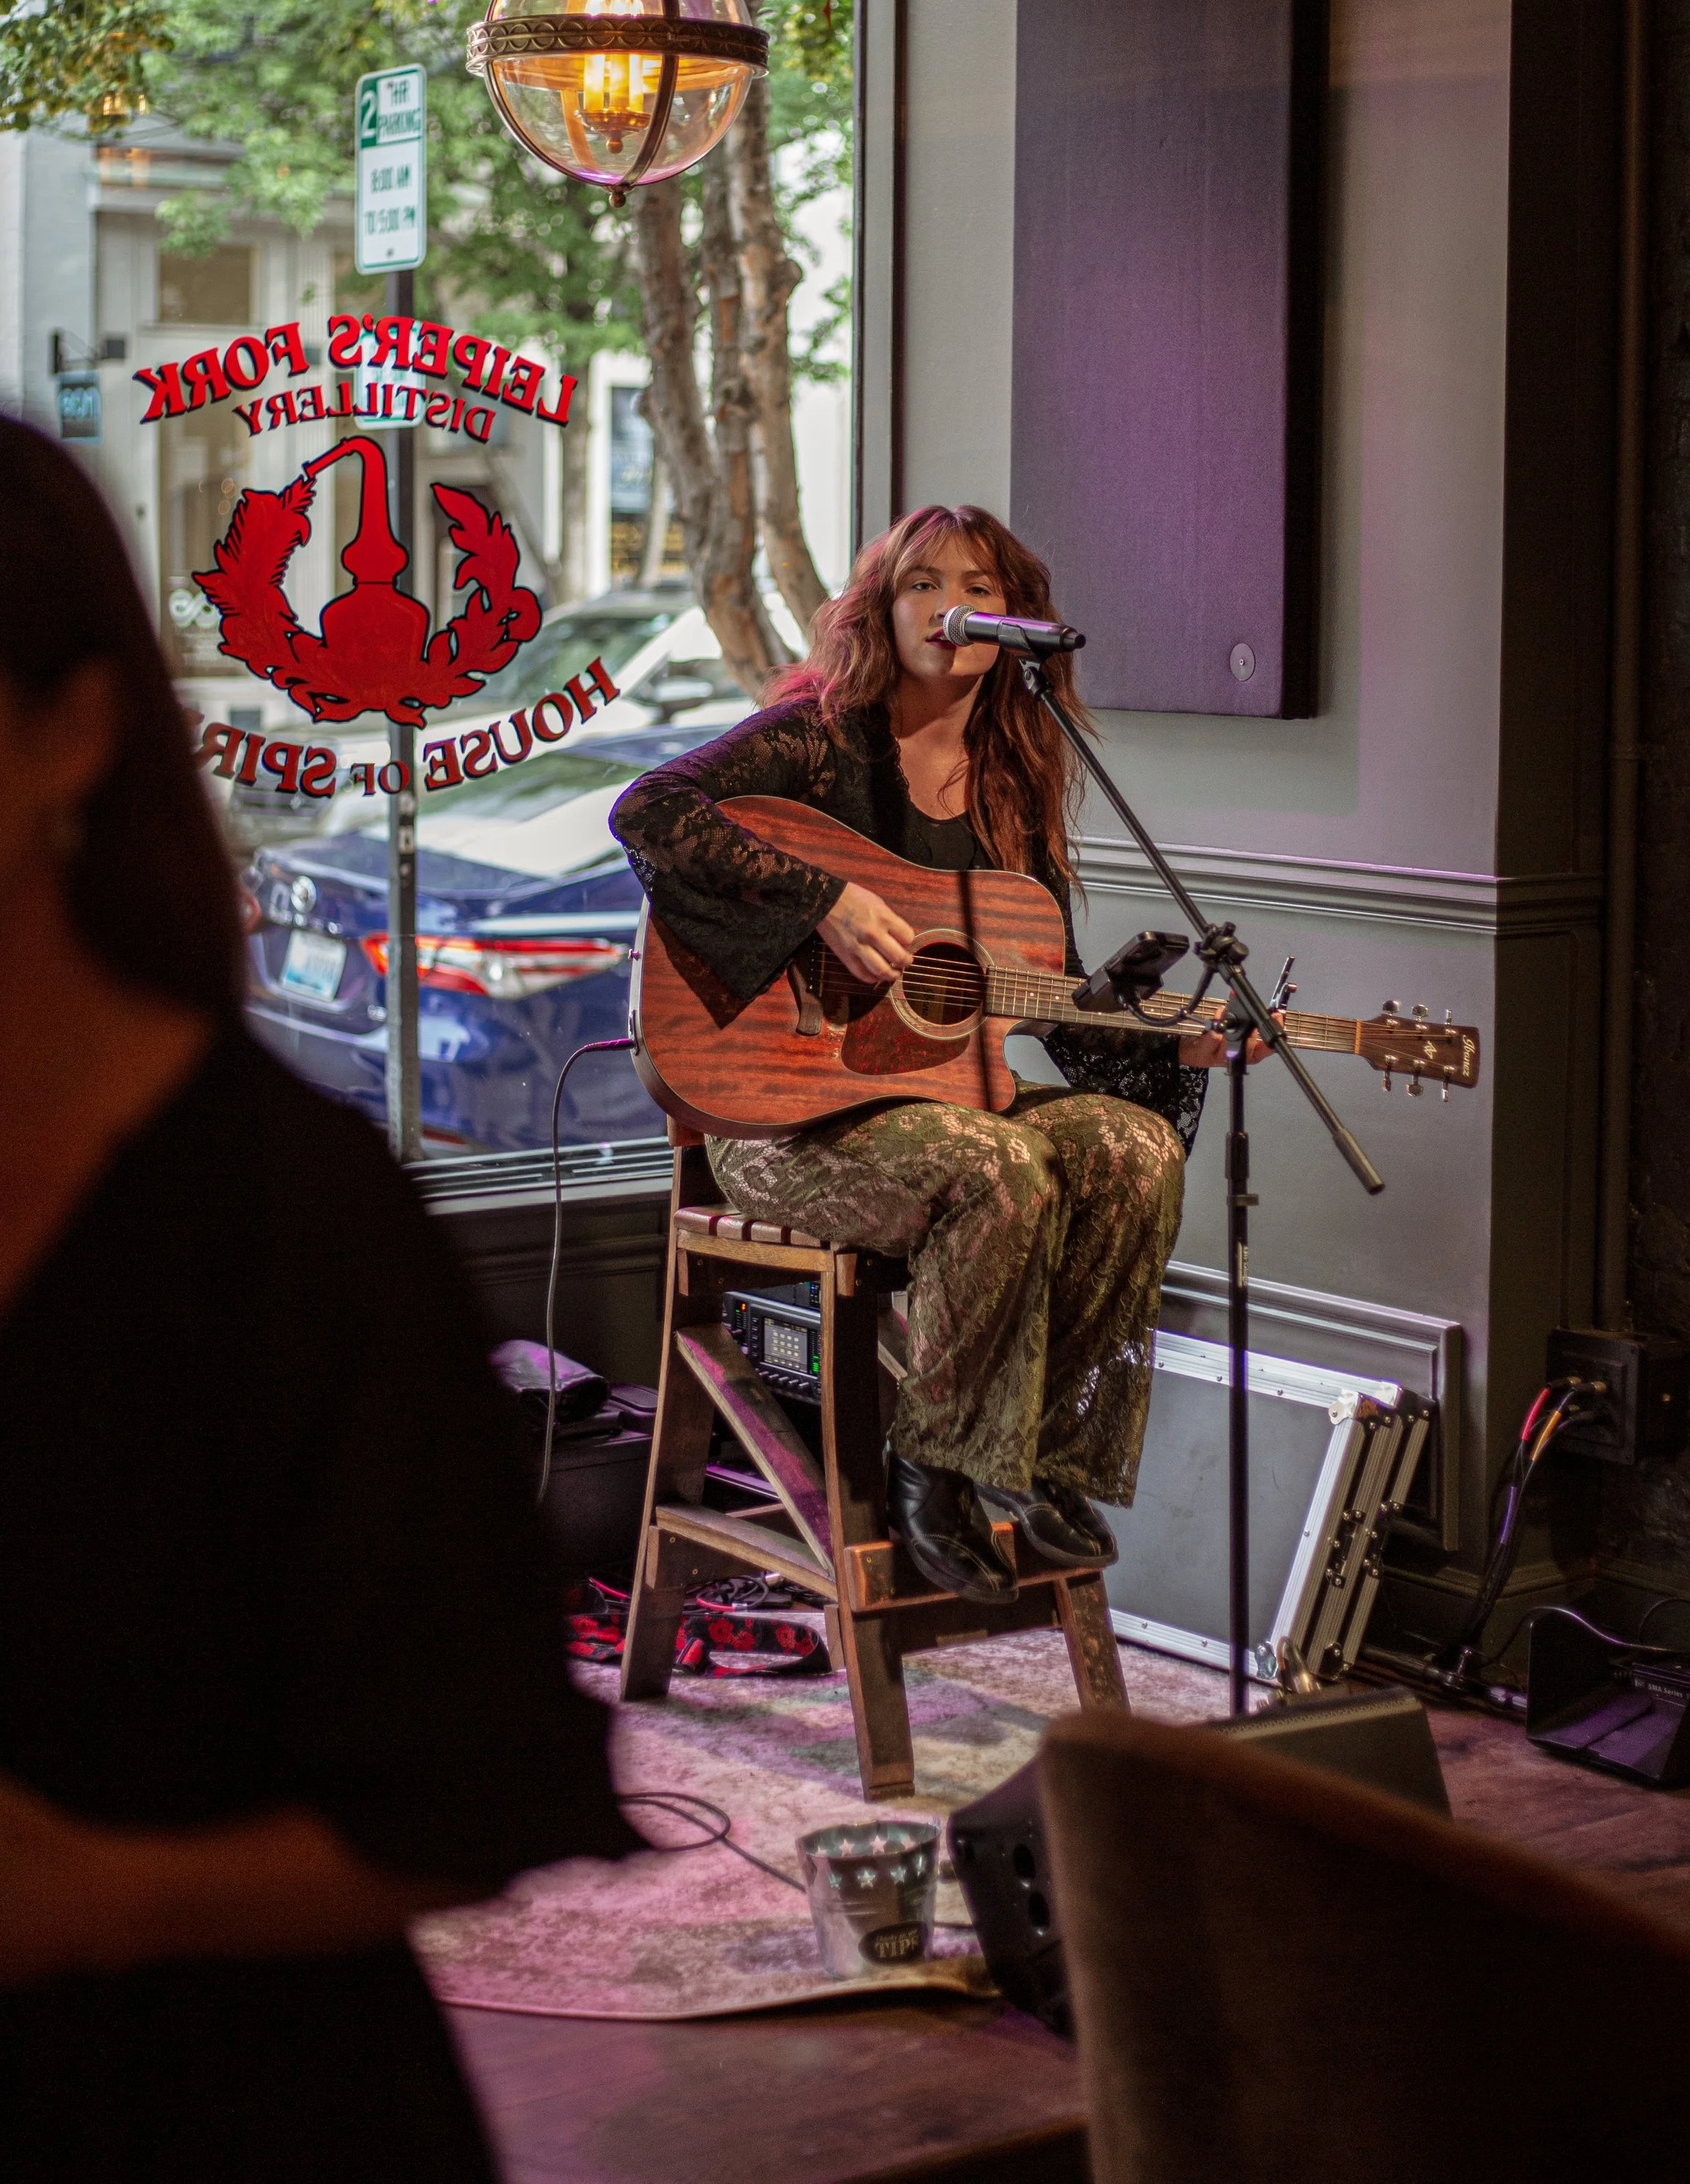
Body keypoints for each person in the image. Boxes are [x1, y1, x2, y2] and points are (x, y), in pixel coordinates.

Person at [0, 419, 634, 2182]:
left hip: (226, 2106)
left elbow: (476, 1793)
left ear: (69, 731)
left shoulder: (280, 1220)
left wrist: (104, 1900)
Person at [613, 504, 1232, 1604]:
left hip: (949, 1105)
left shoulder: (1014, 789)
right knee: (999, 1169)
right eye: (922, 582)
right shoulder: (817, 736)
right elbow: (649, 807)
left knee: (1133, 1150)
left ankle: (1045, 1467)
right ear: (882, 607)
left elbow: (1050, 1010)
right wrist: (824, 901)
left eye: (976, 585)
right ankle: (933, 1467)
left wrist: (1170, 1048)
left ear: (1015, 619)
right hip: (779, 1125)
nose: (951, 604)